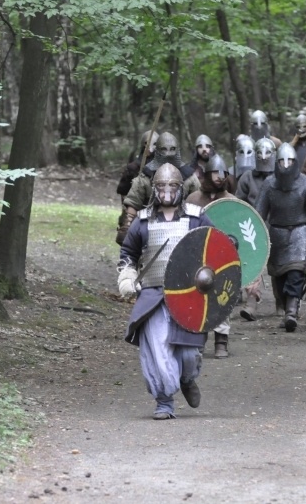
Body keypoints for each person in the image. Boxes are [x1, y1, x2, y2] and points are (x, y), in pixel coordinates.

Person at [117, 163, 215, 420]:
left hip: (188, 294)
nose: (167, 191)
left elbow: (214, 245)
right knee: (159, 349)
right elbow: (128, 253)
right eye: (161, 186)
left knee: (188, 352)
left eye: (172, 186)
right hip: (154, 295)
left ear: (180, 188)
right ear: (154, 189)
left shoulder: (196, 217)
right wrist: (126, 275)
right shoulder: (143, 221)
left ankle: (187, 378)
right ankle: (164, 401)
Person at [255, 142, 306, 332]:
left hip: (300, 233)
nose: (285, 165)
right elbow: (259, 214)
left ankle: (291, 312)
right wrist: (258, 239)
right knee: (280, 278)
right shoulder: (269, 184)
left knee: (296, 273)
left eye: (289, 161)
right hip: (276, 234)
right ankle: (286, 308)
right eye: (281, 161)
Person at [184, 155, 237, 358]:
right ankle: (199, 339)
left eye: (222, 173)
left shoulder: (232, 201)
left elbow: (236, 230)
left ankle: (221, 340)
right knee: (199, 297)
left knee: (223, 296)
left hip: (222, 259)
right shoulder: (193, 200)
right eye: (215, 172)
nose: (219, 177)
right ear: (206, 174)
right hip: (199, 257)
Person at [117, 132, 200, 245]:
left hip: (182, 227)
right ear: (158, 151)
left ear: (177, 150)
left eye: (172, 149)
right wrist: (127, 225)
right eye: (164, 149)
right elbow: (134, 201)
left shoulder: (190, 177)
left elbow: (199, 202)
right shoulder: (146, 176)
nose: (168, 153)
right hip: (151, 226)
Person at [236, 137, 276, 320]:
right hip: (252, 229)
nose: (264, 156)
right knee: (254, 266)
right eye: (260, 152)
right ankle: (251, 302)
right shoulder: (247, 177)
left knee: (279, 267)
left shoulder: (279, 177)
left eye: (268, 152)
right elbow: (239, 204)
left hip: (277, 227)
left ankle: (283, 303)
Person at [117, 130, 159, 204]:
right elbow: (123, 191)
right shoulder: (133, 167)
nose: (149, 147)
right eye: (146, 143)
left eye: (154, 144)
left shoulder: (164, 167)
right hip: (138, 207)